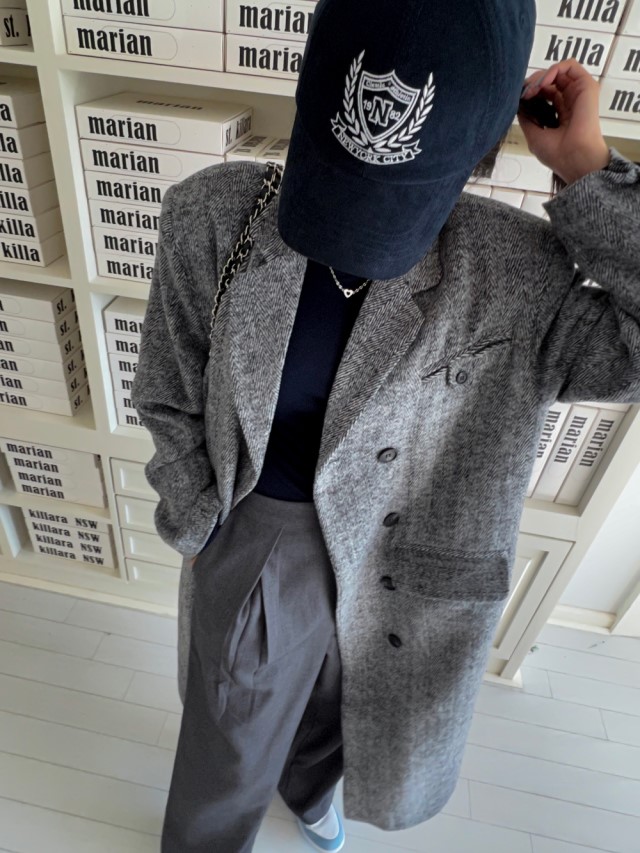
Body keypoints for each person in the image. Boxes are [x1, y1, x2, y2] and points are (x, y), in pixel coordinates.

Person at [130, 0, 640, 851]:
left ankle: (310, 789)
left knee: (346, 718)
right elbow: (167, 386)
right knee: (230, 731)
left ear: (479, 146)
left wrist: (587, 171)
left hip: (415, 556)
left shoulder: (518, 270)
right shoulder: (213, 215)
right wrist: (197, 517)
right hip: (260, 530)